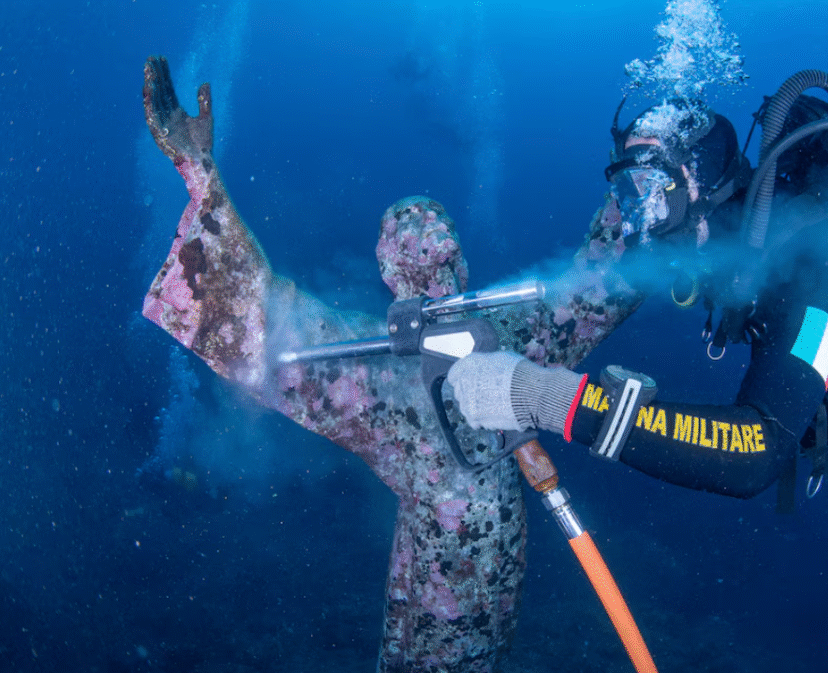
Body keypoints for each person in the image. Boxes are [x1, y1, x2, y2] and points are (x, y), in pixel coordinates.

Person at [140, 56, 644, 672]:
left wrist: (200, 175)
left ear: (388, 270)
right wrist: (643, 192)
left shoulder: (381, 366)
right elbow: (599, 285)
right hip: (485, 573)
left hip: (445, 591)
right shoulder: (508, 331)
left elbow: (264, 331)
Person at [449, 56, 828, 504]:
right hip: (787, 330)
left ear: (700, 182)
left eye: (654, 189)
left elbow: (756, 451)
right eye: (630, 192)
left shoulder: (817, 276)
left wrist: (541, 395)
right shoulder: (724, 238)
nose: (638, 217)